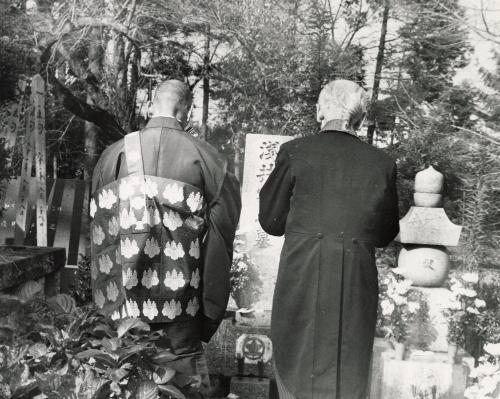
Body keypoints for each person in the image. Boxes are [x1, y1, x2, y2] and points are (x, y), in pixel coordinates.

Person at [90, 79, 241, 397]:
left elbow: (98, 232)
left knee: (122, 383)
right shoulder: (210, 160)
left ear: (150, 106)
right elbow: (220, 242)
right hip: (180, 307)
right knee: (178, 387)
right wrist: (209, 312)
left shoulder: (112, 156)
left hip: (121, 306)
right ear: (186, 109)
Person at [259, 80, 399, 399]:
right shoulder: (382, 163)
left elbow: (271, 221)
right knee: (348, 367)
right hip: (355, 280)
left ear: (320, 110)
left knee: (296, 361)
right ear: (360, 119)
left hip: (302, 274)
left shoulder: (295, 151)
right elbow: (384, 234)